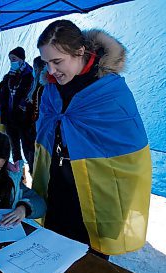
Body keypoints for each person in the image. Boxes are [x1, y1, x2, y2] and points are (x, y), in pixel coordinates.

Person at [32, 20, 152, 258]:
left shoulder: (109, 90)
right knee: (54, 250)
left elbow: (131, 146)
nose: (51, 71)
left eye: (57, 62)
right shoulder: (52, 88)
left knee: (91, 259)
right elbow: (45, 130)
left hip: (98, 187)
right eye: (46, 63)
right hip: (58, 184)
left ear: (80, 52)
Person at [0, 47, 35, 173]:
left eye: (14, 59)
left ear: (21, 59)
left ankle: (33, 171)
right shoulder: (9, 76)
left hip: (24, 120)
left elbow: (29, 96)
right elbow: (4, 95)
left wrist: (23, 110)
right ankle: (19, 174)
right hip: (10, 118)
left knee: (27, 147)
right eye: (10, 59)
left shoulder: (30, 75)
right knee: (14, 148)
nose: (12, 62)